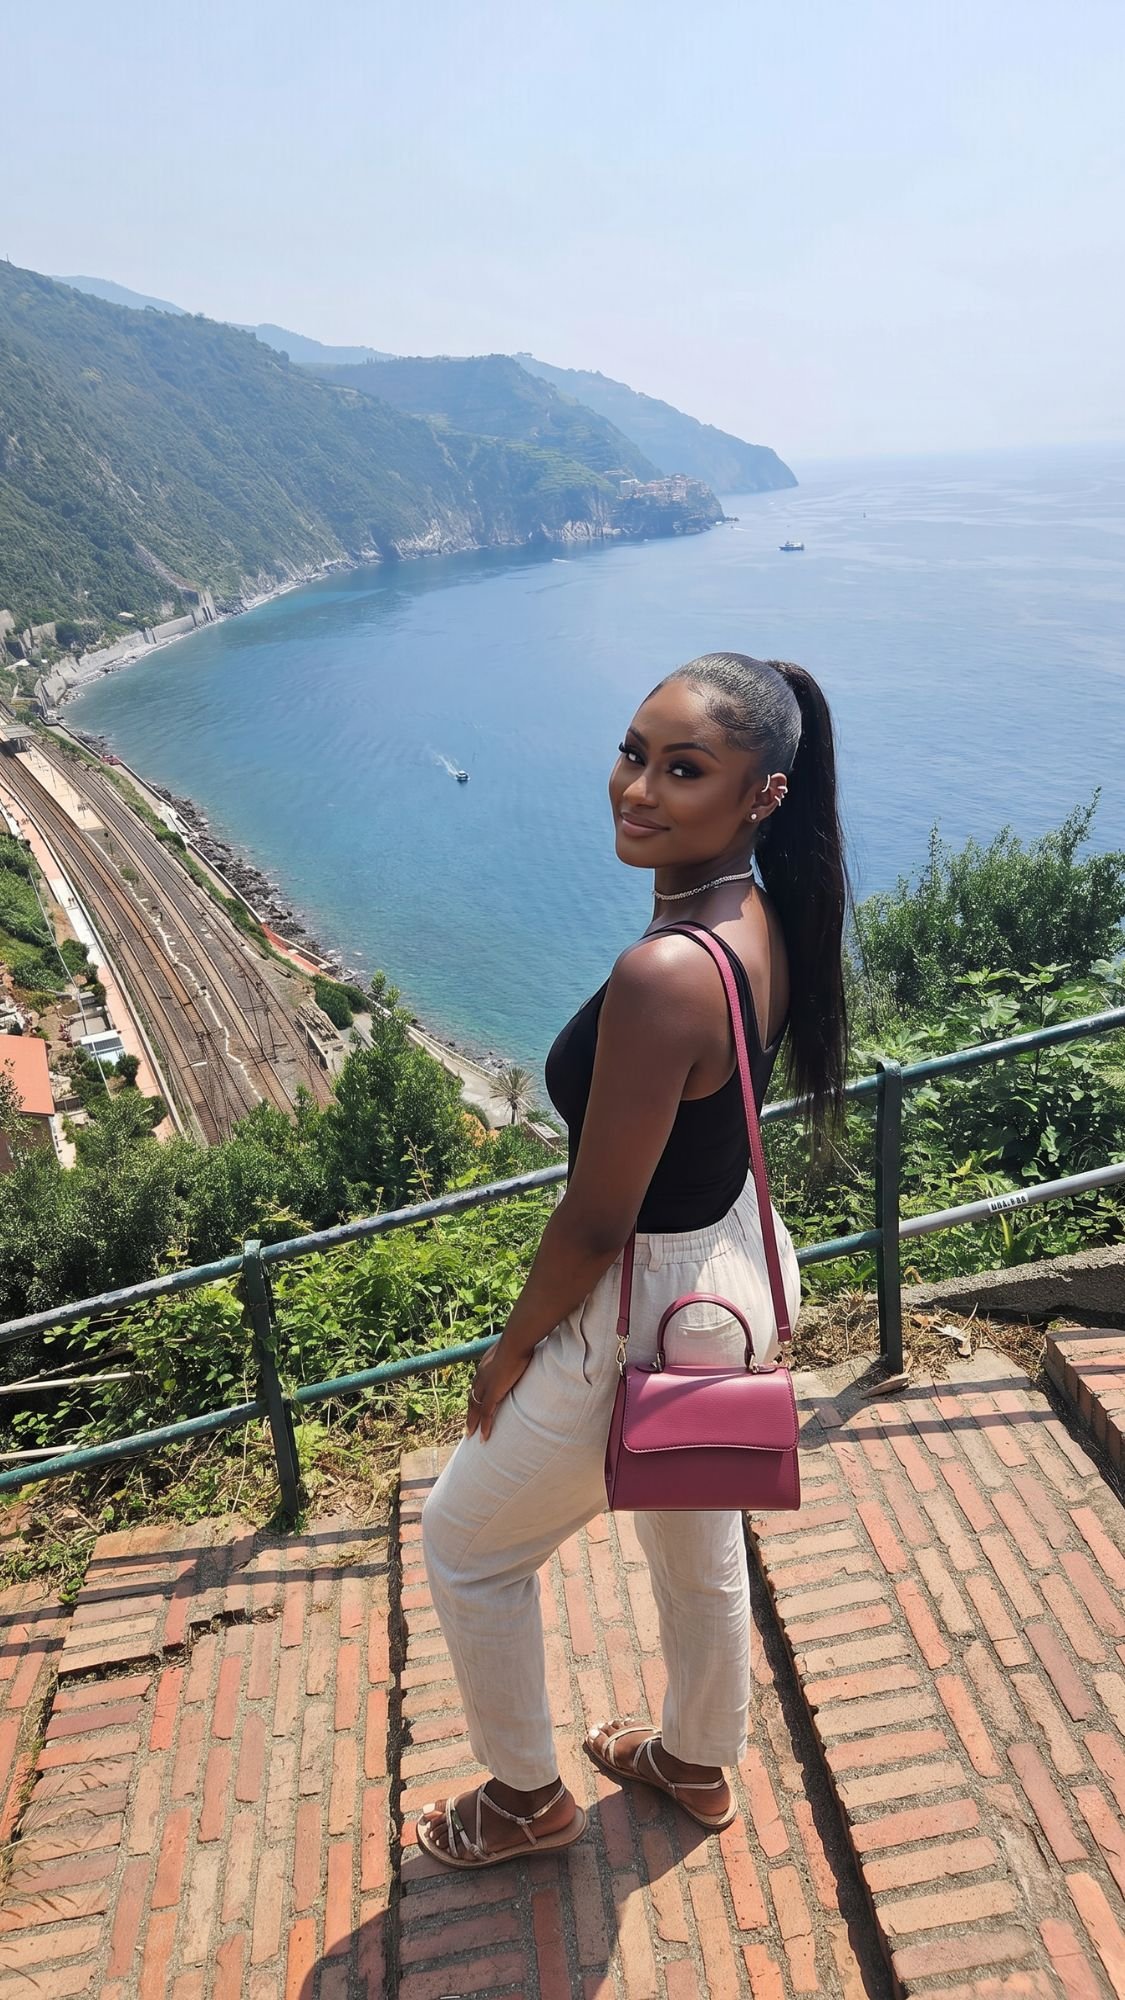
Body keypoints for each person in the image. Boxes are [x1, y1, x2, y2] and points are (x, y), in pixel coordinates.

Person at [417, 652, 849, 1869]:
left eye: (683, 768)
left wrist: (512, 1352)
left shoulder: (663, 970)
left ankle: (522, 1799)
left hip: (643, 1304)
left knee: (466, 1542)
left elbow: (597, 1221)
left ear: (760, 794)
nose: (637, 788)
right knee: (692, 1530)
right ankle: (698, 1757)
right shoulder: (759, 915)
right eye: (633, 752)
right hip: (732, 1275)